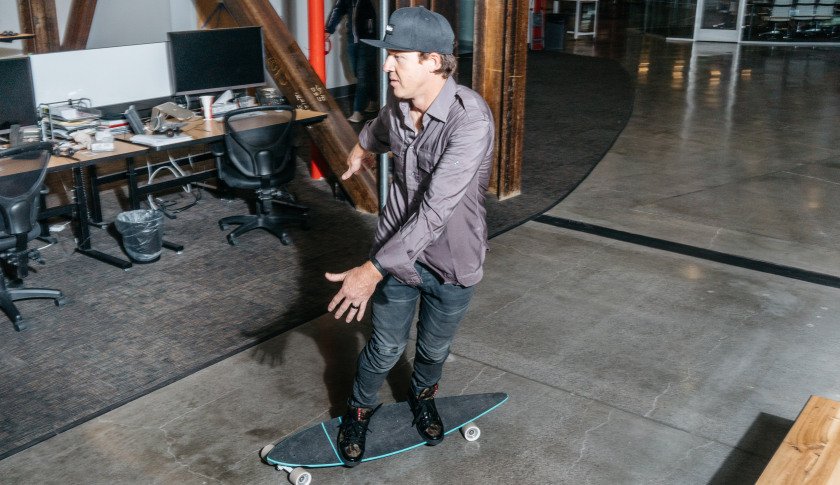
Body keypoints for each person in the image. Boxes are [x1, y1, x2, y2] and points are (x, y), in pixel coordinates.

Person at [324, 6, 495, 467]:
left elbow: (436, 210)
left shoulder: (470, 121)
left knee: (434, 349)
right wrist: (361, 148)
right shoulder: (398, 107)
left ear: (433, 61)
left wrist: (370, 270)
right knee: (384, 348)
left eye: (397, 56)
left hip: (452, 262)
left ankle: (422, 396)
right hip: (397, 254)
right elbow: (379, 128)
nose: (386, 66)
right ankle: (358, 410)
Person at [325, 0, 378, 123]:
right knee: (358, 73)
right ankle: (374, 99)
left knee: (362, 74)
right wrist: (328, 30)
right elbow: (338, 10)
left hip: (368, 40)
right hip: (352, 40)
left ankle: (357, 111)